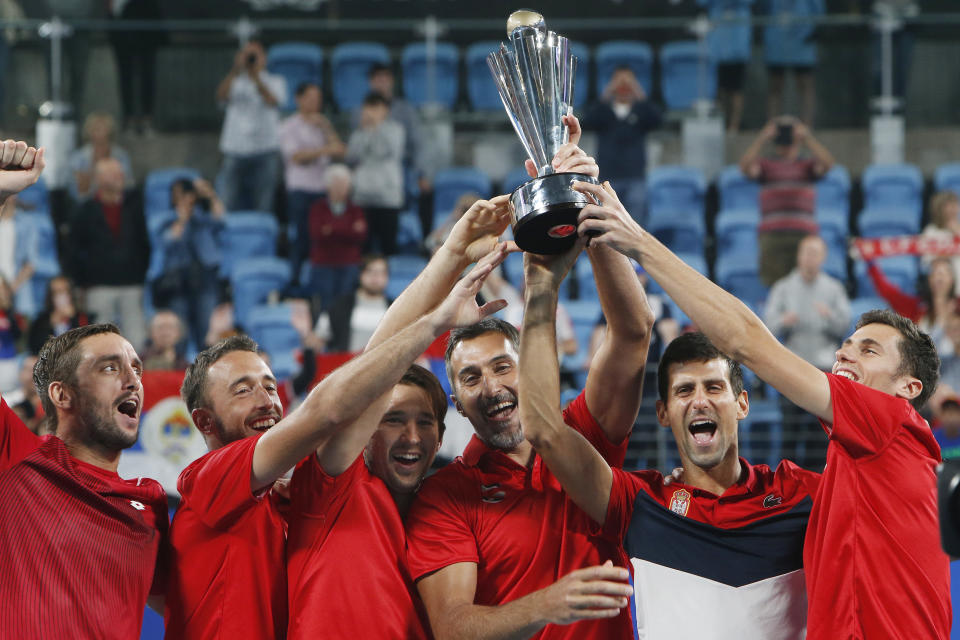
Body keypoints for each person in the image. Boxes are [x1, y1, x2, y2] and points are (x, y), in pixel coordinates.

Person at [569, 177, 951, 639]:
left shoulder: (891, 424)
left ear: (909, 388)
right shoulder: (855, 466)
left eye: (869, 351)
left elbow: (744, 341)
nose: (845, 355)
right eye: (846, 345)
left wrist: (638, 243)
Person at [165, 247, 507, 639]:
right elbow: (336, 403)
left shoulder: (282, 500)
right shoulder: (213, 479)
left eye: (270, 386)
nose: (266, 400)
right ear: (204, 421)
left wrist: (453, 253)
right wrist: (439, 306)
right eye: (242, 391)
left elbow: (164, 592)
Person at [404, 116, 653, 640]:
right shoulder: (445, 495)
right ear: (456, 402)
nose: (492, 387)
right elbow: (451, 627)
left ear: (529, 366)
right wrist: (550, 603)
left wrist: (586, 204)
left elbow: (632, 334)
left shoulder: (583, 435)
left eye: (502, 366)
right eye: (471, 378)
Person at [518, 253, 821, 638]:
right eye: (684, 391)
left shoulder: (797, 494)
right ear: (663, 413)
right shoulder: (639, 503)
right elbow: (543, 429)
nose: (700, 401)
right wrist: (542, 287)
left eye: (714, 387)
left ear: (742, 404)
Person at [764, 234, 850, 469]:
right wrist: (784, 321)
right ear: (799, 256)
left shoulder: (833, 288)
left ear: (822, 257)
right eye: (807, 252)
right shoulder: (783, 287)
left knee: (820, 433)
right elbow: (767, 326)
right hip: (793, 367)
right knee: (790, 429)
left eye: (815, 253)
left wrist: (829, 317)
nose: (810, 258)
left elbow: (845, 326)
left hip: (823, 370)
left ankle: (820, 483)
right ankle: (786, 484)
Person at [67, 157, 150, 351]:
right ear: (99, 179)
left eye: (120, 172)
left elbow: (144, 244)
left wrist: (139, 274)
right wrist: (81, 282)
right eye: (113, 173)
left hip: (132, 283)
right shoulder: (85, 210)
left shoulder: (134, 206)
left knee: (136, 338)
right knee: (100, 341)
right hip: (98, 285)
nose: (120, 176)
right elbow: (74, 250)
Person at [740, 115, 833, 286]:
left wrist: (807, 138)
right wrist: (762, 138)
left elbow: (827, 164)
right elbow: (745, 167)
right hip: (772, 235)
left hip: (803, 233)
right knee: (774, 284)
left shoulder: (807, 165)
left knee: (806, 282)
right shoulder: (765, 165)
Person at [280, 82, 345, 285]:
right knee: (301, 237)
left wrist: (326, 127)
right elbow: (297, 157)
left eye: (317, 99)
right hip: (300, 190)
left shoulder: (321, 125)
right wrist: (325, 151)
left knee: (322, 238)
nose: (315, 103)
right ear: (298, 99)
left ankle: (318, 280)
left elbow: (341, 150)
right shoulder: (288, 126)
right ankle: (295, 281)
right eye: (310, 98)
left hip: (321, 189)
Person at [581, 66, 661, 223]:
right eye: (619, 81)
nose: (623, 85)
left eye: (628, 81)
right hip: (608, 178)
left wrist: (637, 90)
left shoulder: (641, 110)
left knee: (635, 225)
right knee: (607, 224)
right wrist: (608, 91)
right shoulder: (604, 111)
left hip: (635, 177)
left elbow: (657, 119)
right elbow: (586, 120)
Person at [153, 177, 225, 350]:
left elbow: (221, 220)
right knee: (178, 336)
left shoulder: (202, 217)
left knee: (207, 335)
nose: (183, 198)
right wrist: (183, 216)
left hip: (205, 280)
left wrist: (210, 195)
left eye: (186, 194)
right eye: (177, 195)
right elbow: (169, 240)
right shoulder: (166, 220)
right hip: (178, 284)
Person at [216, 40, 286, 213]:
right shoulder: (235, 81)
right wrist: (235, 69)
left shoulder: (276, 81)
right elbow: (220, 97)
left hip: (265, 149)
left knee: (264, 203)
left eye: (255, 55)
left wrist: (256, 78)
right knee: (228, 199)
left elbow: (273, 101)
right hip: (235, 148)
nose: (252, 59)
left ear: (265, 58)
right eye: (248, 55)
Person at [347, 92, 404, 256]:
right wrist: (366, 131)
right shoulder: (359, 131)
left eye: (376, 107)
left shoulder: (396, 129)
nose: (372, 112)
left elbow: (391, 151)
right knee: (363, 246)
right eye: (369, 107)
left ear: (385, 110)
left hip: (388, 197)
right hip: (363, 197)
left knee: (389, 246)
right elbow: (352, 156)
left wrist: (377, 126)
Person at [863, 254, 955, 352]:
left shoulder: (957, 306)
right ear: (928, 279)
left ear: (952, 278)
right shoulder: (916, 307)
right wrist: (871, 263)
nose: (939, 277)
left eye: (944, 272)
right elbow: (889, 293)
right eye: (935, 273)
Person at [305, 164, 367, 308]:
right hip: (323, 264)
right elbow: (316, 234)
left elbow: (360, 236)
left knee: (345, 305)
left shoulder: (356, 209)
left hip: (349, 264)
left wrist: (331, 229)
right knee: (325, 305)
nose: (342, 188)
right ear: (328, 186)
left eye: (345, 184)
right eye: (338, 184)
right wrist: (347, 229)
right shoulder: (317, 208)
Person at [107, 0, 164, 136]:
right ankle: (129, 120)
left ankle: (147, 119)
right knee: (125, 76)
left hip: (147, 22)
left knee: (147, 75)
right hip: (122, 25)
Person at [764, 0, 824, 125]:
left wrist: (813, 32)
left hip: (803, 41)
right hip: (777, 42)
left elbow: (819, 12)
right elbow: (764, 8)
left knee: (805, 84)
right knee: (775, 85)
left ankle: (807, 126)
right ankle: (772, 126)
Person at [314, 254, 390, 353]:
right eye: (370, 271)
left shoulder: (396, 309)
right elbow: (318, 341)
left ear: (387, 277)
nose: (375, 277)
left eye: (380, 273)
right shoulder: (339, 305)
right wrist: (305, 332)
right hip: (347, 365)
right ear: (360, 274)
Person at [698, 0, 755, 131]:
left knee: (736, 89)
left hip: (738, 45)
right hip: (718, 46)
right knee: (719, 90)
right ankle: (720, 123)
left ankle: (734, 126)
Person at [68, 111, 134, 202]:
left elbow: (128, 184)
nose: (100, 133)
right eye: (96, 128)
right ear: (89, 131)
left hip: (116, 201)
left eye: (103, 128)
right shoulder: (78, 157)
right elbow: (74, 191)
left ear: (110, 131)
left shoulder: (121, 156)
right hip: (87, 203)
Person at [26, 274, 91, 355]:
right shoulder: (42, 320)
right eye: (56, 292)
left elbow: (88, 344)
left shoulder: (81, 317)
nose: (60, 296)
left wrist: (73, 318)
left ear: (70, 293)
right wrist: (51, 324)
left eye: (63, 291)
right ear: (50, 296)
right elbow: (35, 348)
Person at [920, 190, 960, 280]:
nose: (953, 209)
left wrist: (957, 233)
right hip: (944, 280)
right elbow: (927, 261)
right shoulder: (931, 231)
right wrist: (949, 252)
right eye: (949, 205)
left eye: (955, 204)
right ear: (939, 209)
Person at [933, 395, 960, 459]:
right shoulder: (932, 438)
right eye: (947, 412)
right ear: (940, 416)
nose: (950, 418)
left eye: (954, 412)